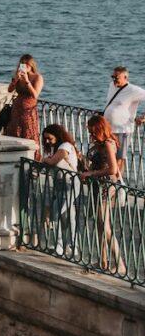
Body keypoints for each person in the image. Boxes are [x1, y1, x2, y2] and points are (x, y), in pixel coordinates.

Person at [80, 115, 124, 273]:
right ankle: (103, 261)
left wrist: (92, 173)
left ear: (100, 129)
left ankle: (120, 264)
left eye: (92, 131)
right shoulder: (99, 144)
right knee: (99, 225)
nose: (91, 134)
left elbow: (112, 169)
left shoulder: (108, 144)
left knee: (105, 226)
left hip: (105, 186)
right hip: (97, 185)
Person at [41, 124, 80, 256]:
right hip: (59, 183)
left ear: (57, 136)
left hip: (70, 184)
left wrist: (45, 159)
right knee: (67, 216)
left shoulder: (65, 146)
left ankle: (60, 246)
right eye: (45, 139)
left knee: (57, 213)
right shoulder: (55, 149)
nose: (47, 141)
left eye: (49, 138)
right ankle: (72, 245)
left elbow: (52, 162)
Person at [102, 66, 145, 177]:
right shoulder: (112, 85)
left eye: (117, 77)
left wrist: (143, 117)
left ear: (125, 77)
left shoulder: (133, 90)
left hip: (123, 130)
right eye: (113, 77)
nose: (114, 79)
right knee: (107, 157)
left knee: (120, 158)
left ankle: (117, 182)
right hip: (108, 129)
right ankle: (108, 179)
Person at [6, 54, 44, 156]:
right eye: (22, 64)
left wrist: (27, 81)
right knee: (15, 133)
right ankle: (15, 156)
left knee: (28, 133)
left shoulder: (37, 77)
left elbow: (35, 94)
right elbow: (9, 90)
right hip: (17, 110)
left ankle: (31, 157)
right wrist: (15, 80)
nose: (24, 66)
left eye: (26, 64)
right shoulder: (18, 76)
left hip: (28, 111)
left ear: (31, 66)